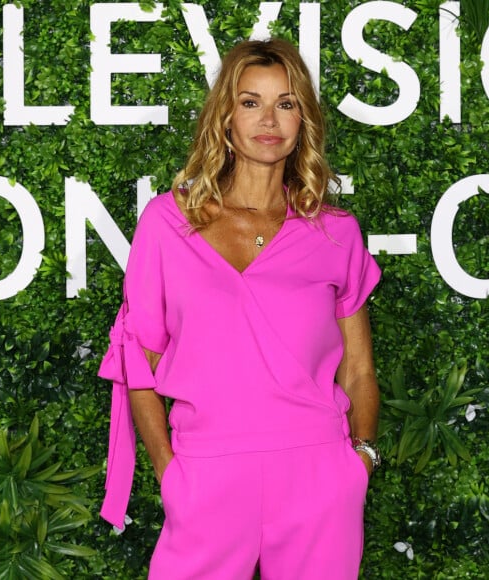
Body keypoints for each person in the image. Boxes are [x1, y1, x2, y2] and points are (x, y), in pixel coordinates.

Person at [98, 38, 381, 579]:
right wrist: (170, 473)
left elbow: (360, 367)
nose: (268, 119)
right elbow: (141, 365)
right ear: (225, 118)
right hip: (208, 475)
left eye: (286, 103)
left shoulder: (336, 232)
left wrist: (360, 460)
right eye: (251, 102)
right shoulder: (167, 223)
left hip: (318, 475)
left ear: (303, 121)